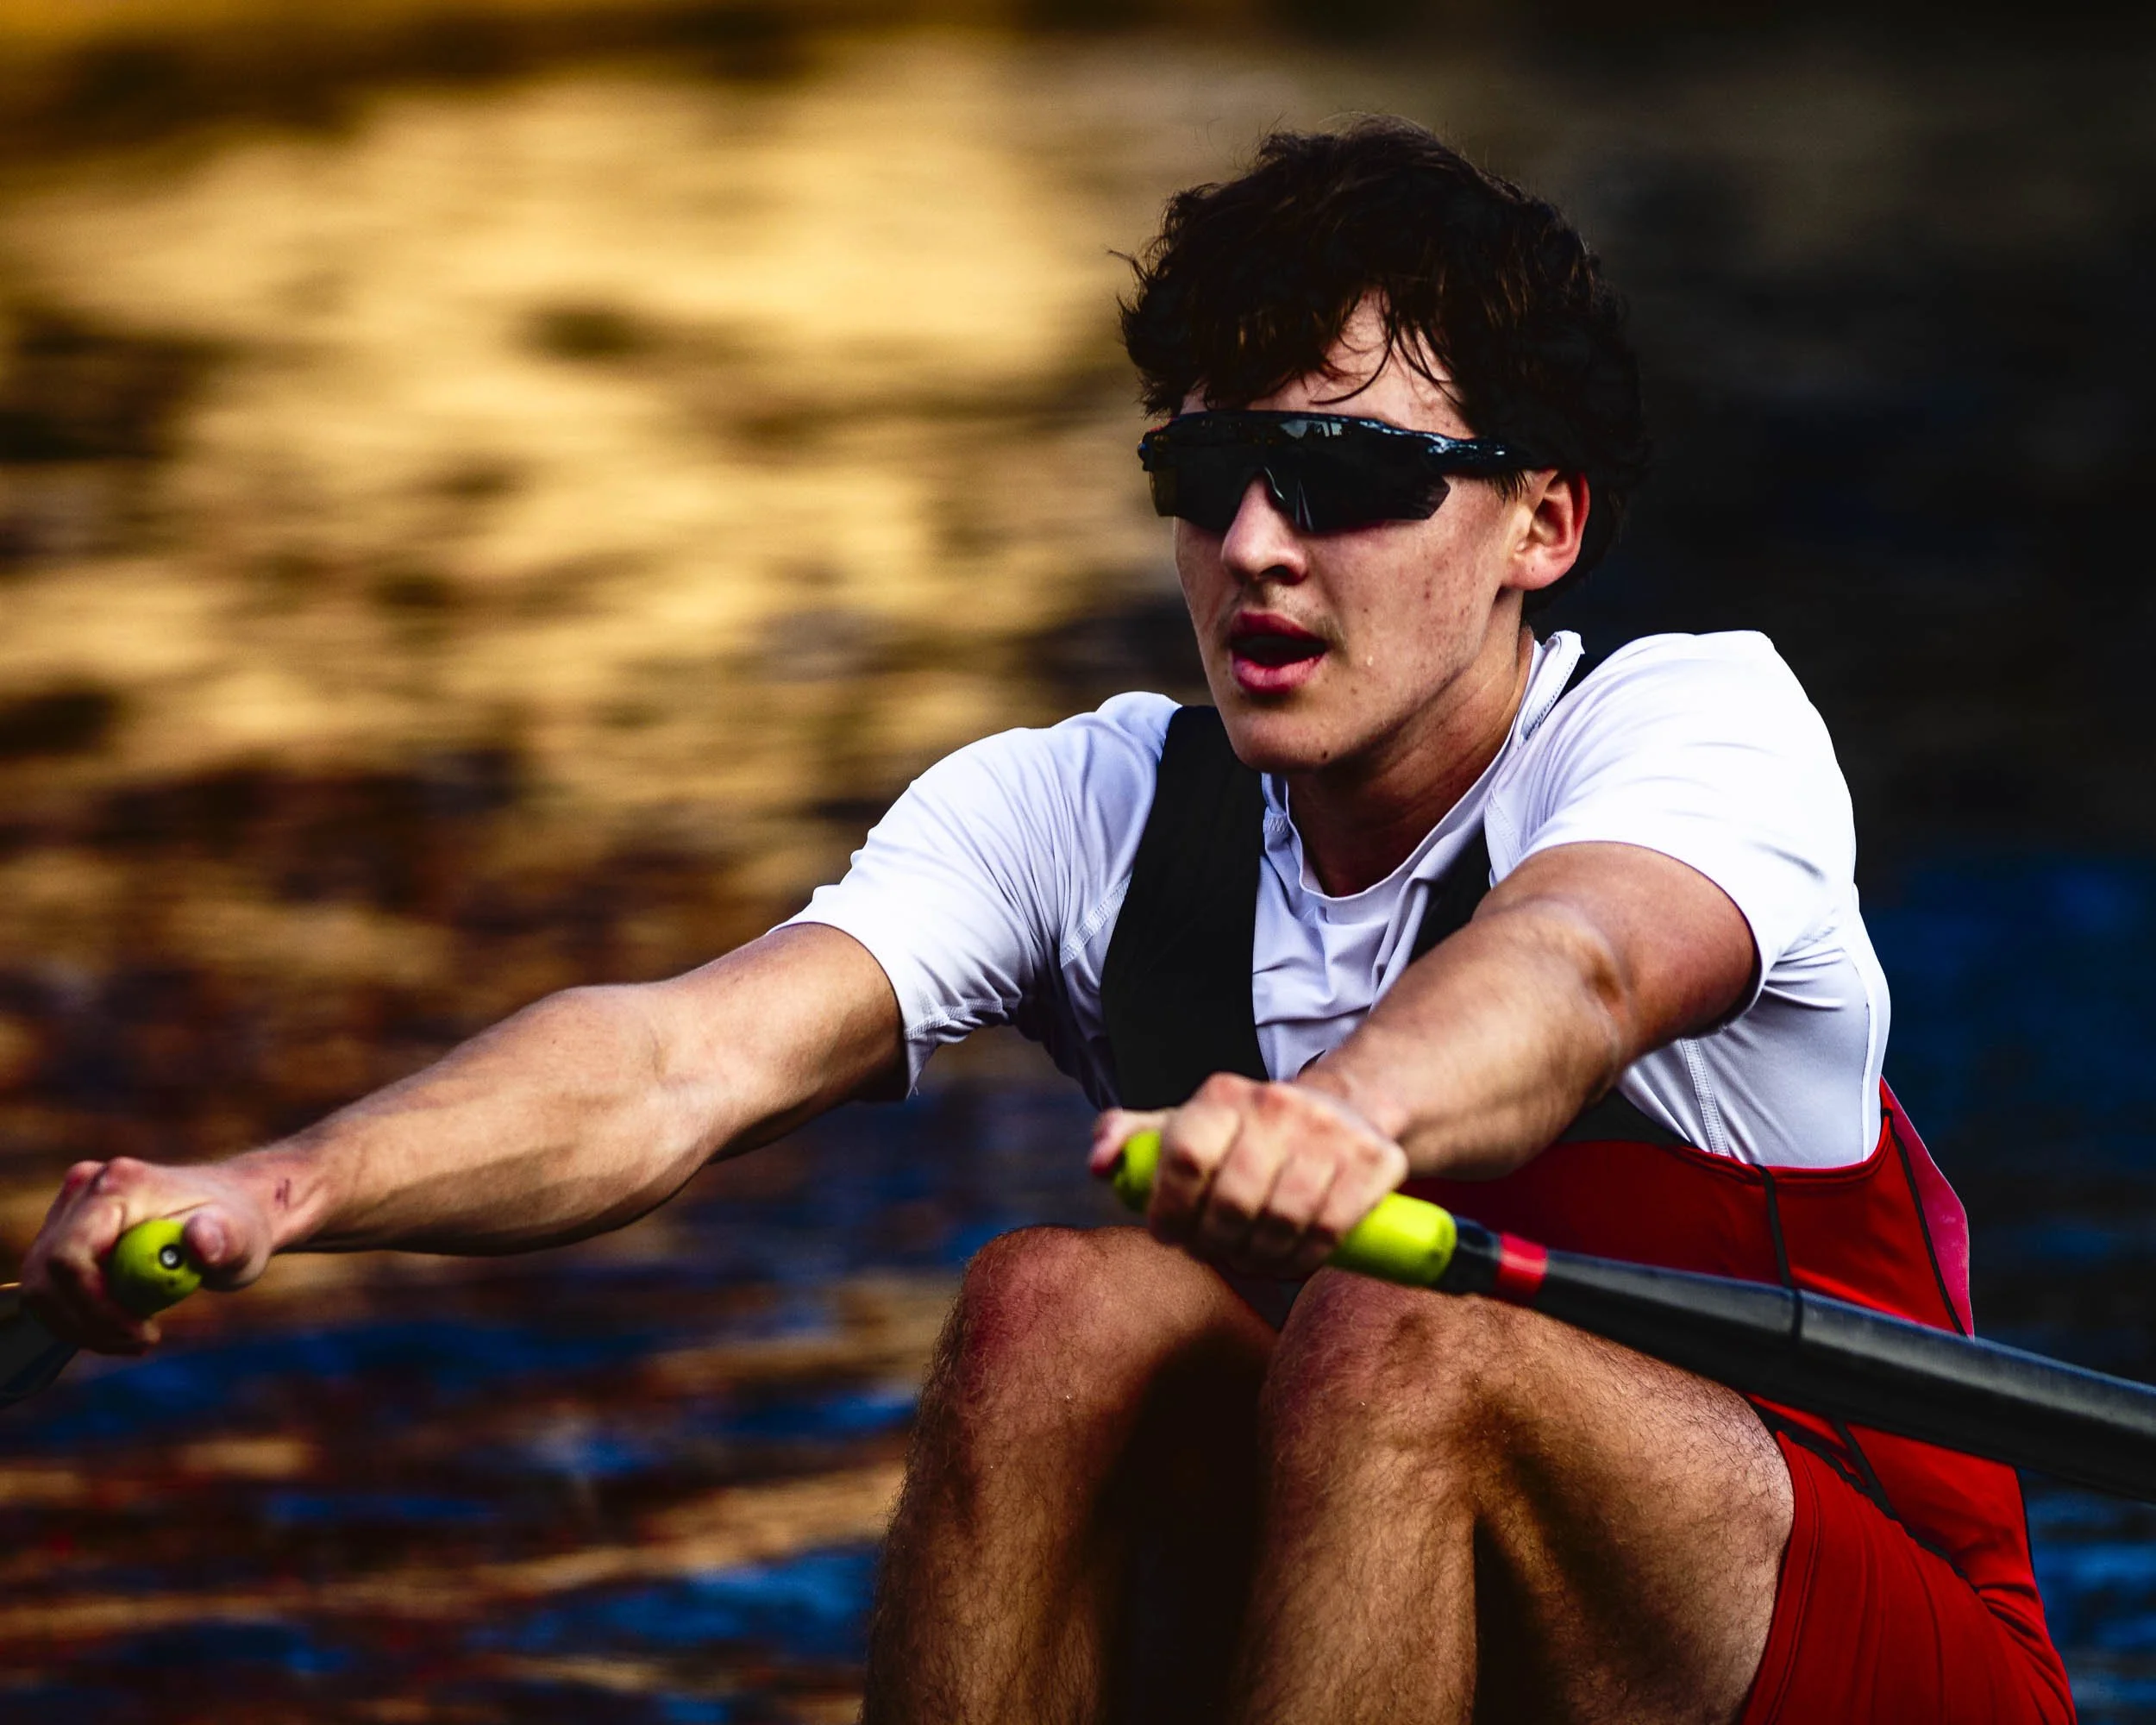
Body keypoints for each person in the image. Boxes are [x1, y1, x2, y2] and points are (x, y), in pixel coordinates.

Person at [20, 122, 2070, 1723]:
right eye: (1202, 465)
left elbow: (1584, 966)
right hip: (1404, 1601)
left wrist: (1349, 1113)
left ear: (1543, 523)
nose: (1253, 543)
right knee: (1041, 1301)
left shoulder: (1696, 724)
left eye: (1340, 472)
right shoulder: (1083, 804)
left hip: (1849, 1634)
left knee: (1393, 1338)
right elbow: (673, 1064)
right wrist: (291, 1183)